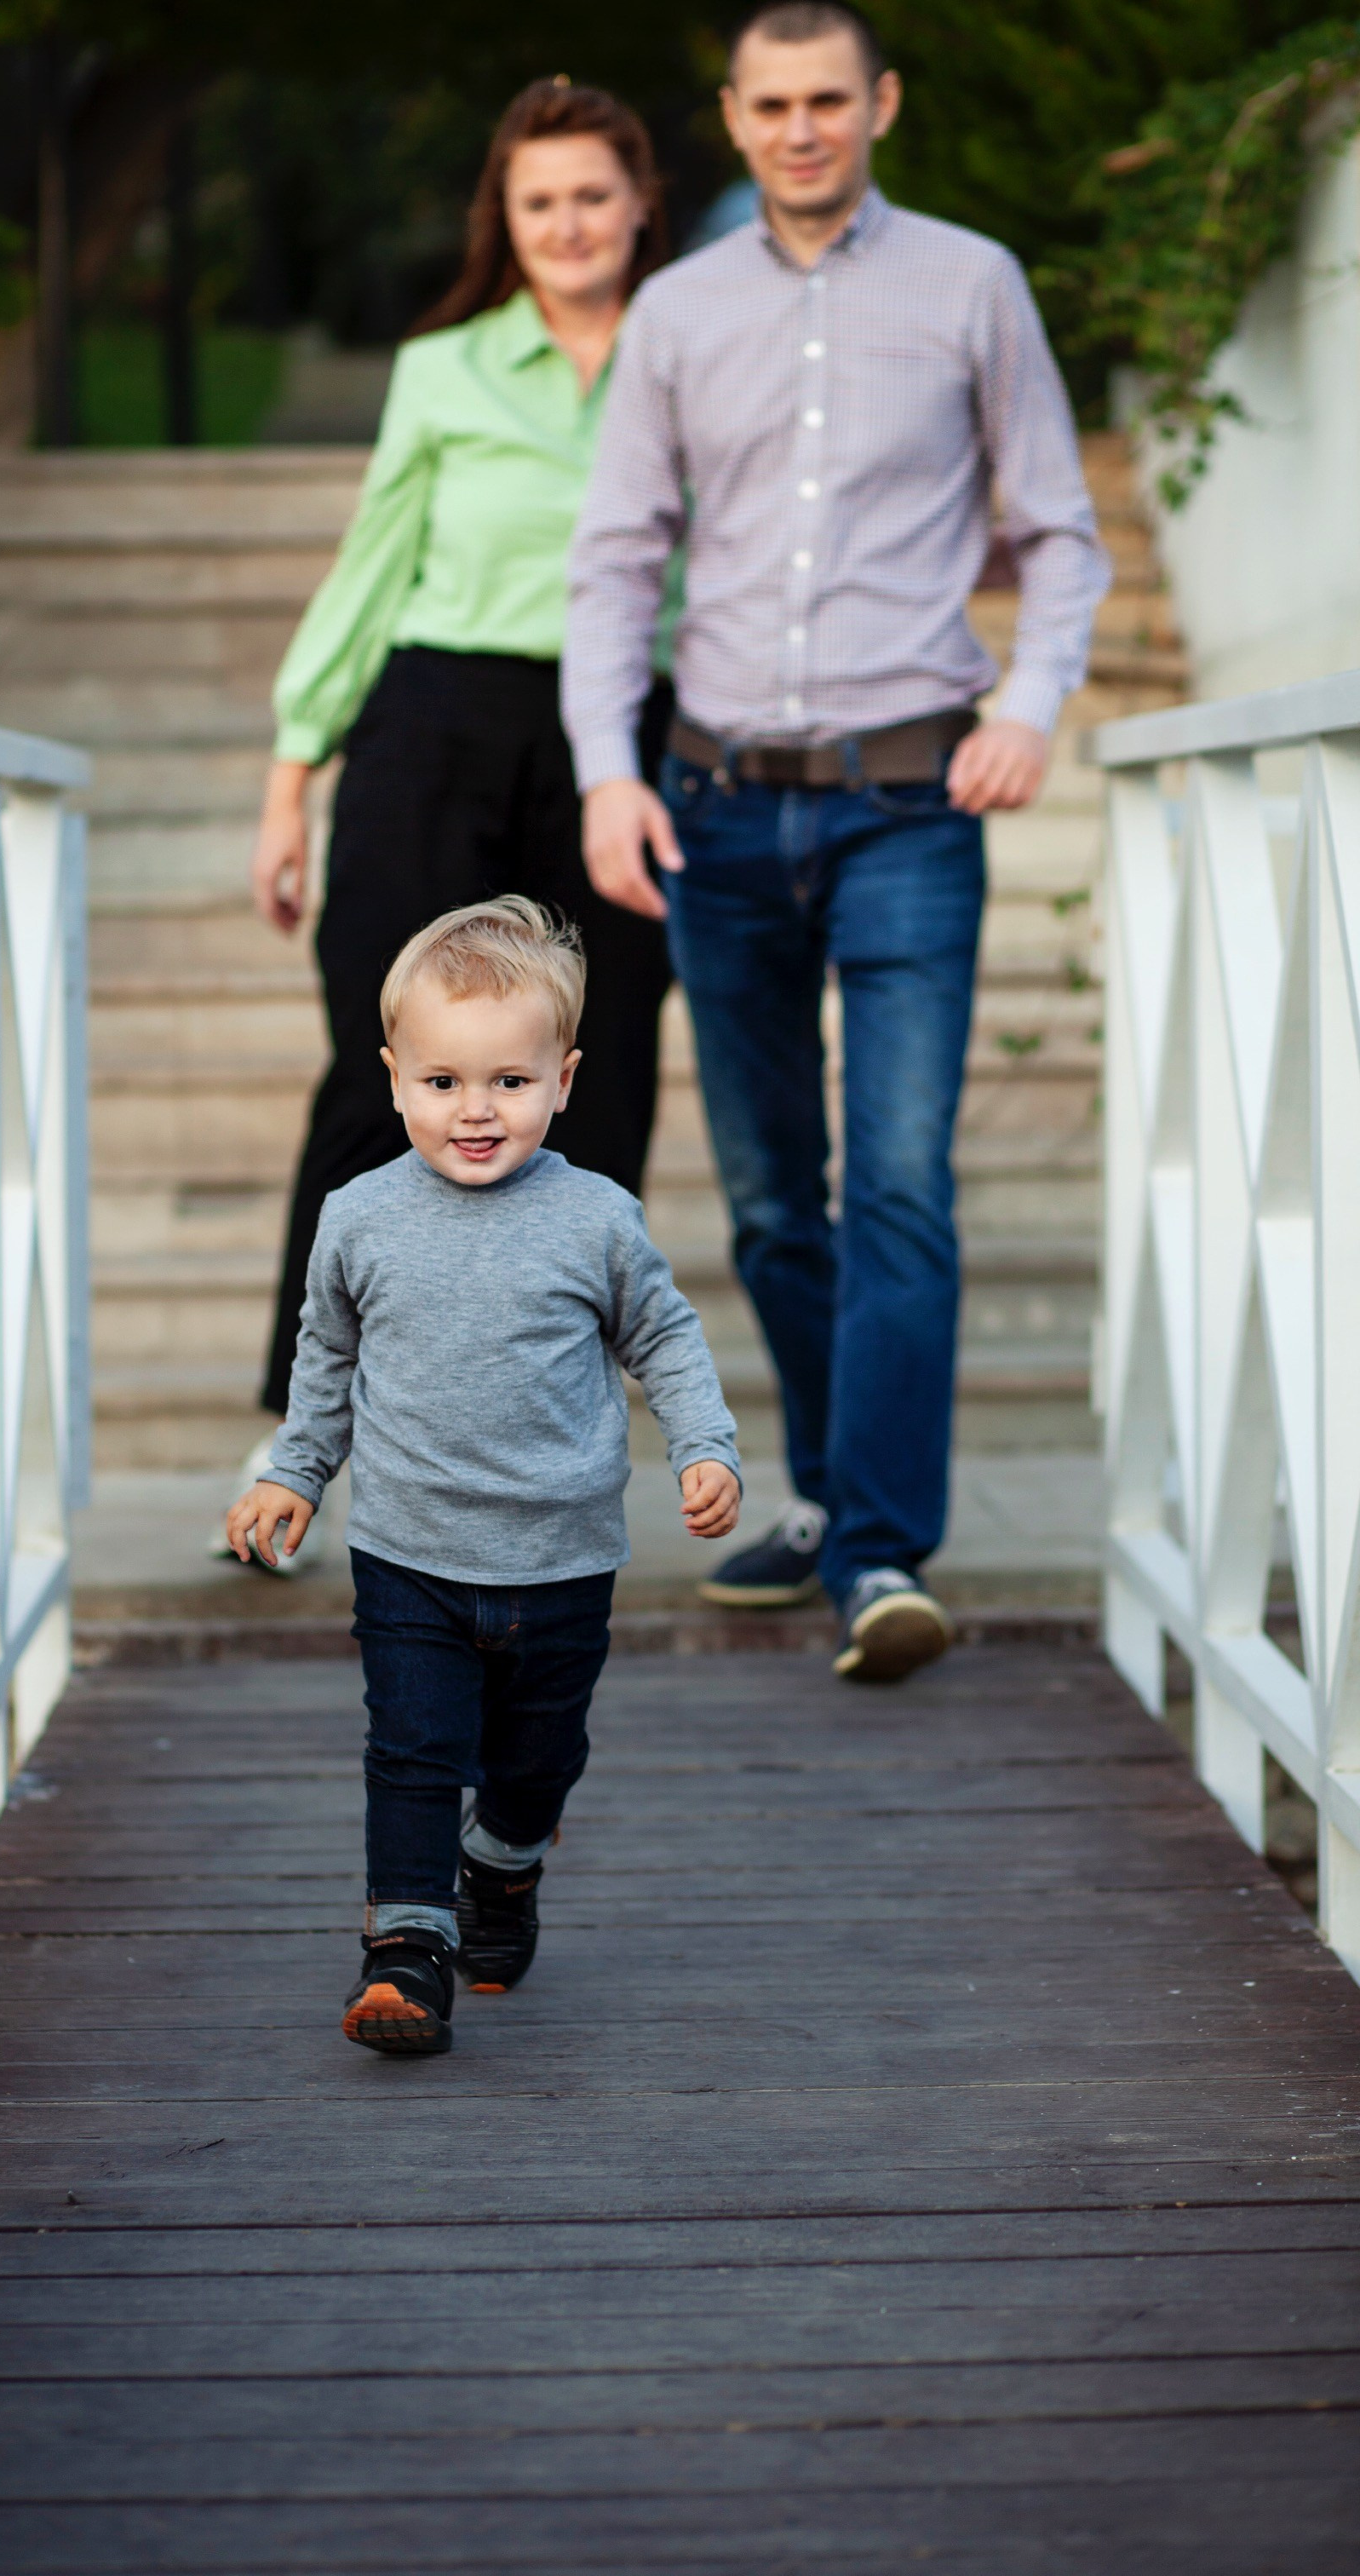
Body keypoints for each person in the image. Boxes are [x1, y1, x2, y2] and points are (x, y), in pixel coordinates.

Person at [562, 0, 1108, 1682]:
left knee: (899, 1183)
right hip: (718, 806)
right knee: (773, 1205)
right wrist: (607, 766)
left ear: (882, 104)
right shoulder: (676, 311)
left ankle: (878, 1551)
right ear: (730, 119)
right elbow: (613, 555)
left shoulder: (970, 284)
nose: (803, 129)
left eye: (831, 100)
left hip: (911, 802)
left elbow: (1061, 534)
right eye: (772, 104)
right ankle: (831, 1496)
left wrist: (1030, 705)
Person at [245, 77, 677, 1458]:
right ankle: (301, 1425)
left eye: (592, 195)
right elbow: (370, 571)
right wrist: (289, 775)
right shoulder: (446, 370)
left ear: (641, 204)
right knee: (378, 1080)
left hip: (619, 739)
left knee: (596, 1086)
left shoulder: (696, 356)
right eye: (538, 199)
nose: (567, 223)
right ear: (505, 214)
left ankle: (553, 1416)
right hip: (433, 727)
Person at [226, 900, 740, 2055]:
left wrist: (706, 1447)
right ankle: (409, 1949)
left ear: (562, 1080)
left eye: (509, 1082)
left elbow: (663, 1336)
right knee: (410, 1751)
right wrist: (295, 1471)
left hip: (563, 1557)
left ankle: (500, 1872)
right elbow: (327, 1356)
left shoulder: (595, 1218)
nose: (474, 1111)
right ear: (394, 1077)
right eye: (444, 1080)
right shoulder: (358, 1218)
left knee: (538, 1762)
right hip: (408, 1552)